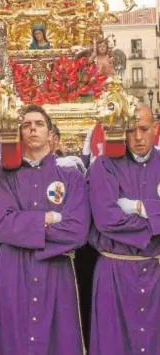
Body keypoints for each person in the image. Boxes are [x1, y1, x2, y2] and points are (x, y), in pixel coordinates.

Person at [0, 105, 90, 355]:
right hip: (13, 271)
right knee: (14, 339)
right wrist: (48, 218)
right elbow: (1, 227)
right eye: (26, 125)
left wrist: (24, 225)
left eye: (39, 124)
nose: (33, 128)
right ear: (19, 134)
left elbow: (77, 231)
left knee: (59, 339)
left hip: (56, 270)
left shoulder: (71, 177)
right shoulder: (2, 176)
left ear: (51, 135)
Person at [88, 104, 160, 355]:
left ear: (156, 129)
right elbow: (106, 219)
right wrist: (155, 221)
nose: (138, 137)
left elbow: (117, 217)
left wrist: (139, 206)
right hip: (115, 273)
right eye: (131, 130)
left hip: (155, 271)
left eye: (144, 129)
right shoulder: (104, 166)